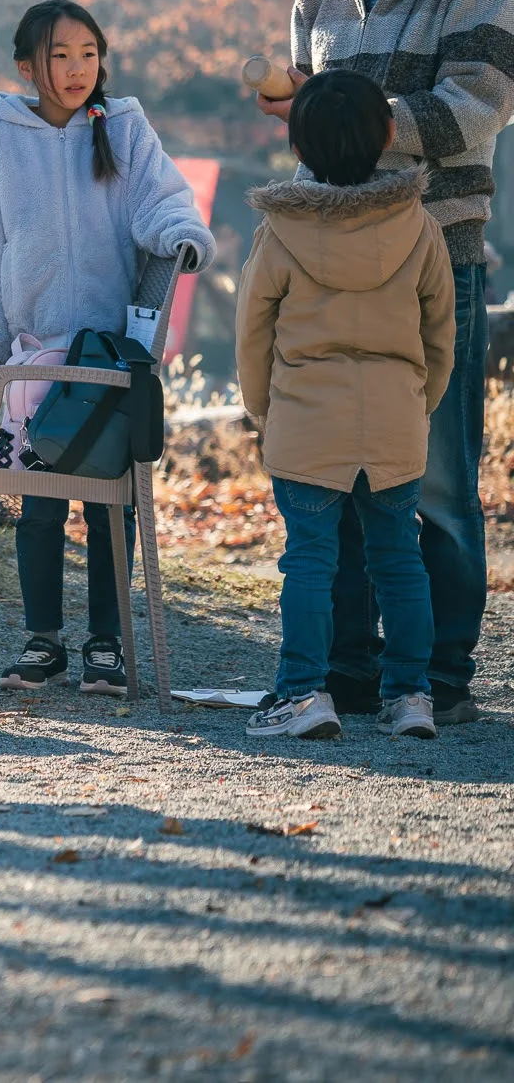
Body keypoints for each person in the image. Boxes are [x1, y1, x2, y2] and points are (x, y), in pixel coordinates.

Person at [256, 0, 514, 726]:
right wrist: (311, 124)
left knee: (434, 479)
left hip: (435, 257)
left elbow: (474, 109)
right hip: (327, 260)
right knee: (338, 470)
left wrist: (354, 122)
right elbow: (313, 138)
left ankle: (440, 670)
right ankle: (353, 668)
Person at [0, 0, 214, 695]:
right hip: (32, 358)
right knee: (37, 502)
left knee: (106, 503)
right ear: (27, 66)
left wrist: (183, 236)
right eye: (59, 55)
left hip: (106, 358)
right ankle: (44, 642)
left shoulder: (123, 125)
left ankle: (106, 643)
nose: (75, 69)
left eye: (88, 53)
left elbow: (163, 202)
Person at [239, 69, 454, 740]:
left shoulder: (281, 231)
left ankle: (304, 694)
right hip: (395, 422)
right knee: (399, 559)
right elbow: (441, 332)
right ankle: (412, 695)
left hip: (306, 422)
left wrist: (264, 414)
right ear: (389, 133)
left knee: (309, 558)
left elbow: (253, 332)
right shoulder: (419, 227)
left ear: (298, 147)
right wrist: (420, 404)